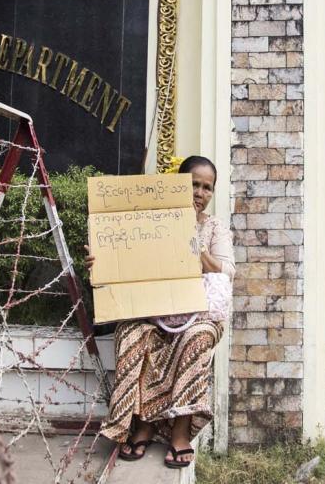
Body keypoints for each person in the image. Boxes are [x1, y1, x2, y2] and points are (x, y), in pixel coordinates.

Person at [88, 156, 234, 469]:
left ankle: (180, 433)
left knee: (196, 338)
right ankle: (143, 425)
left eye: (207, 187)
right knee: (133, 332)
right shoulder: (151, 218)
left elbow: (227, 271)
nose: (199, 192)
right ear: (178, 184)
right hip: (156, 312)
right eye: (193, 183)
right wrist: (100, 262)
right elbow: (126, 261)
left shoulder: (214, 226)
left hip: (200, 315)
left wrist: (198, 248)